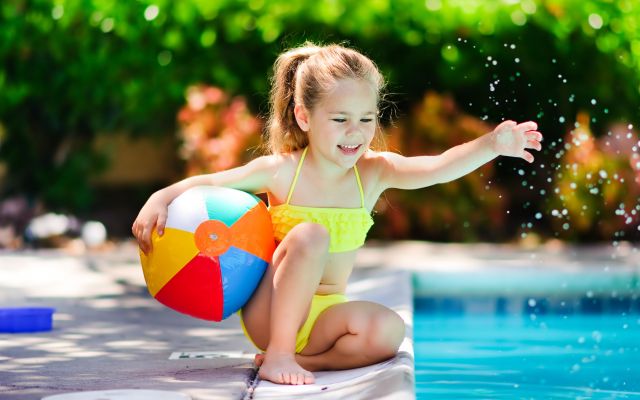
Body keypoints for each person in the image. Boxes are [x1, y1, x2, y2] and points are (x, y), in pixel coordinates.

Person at [132, 42, 543, 386]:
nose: (356, 132)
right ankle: (277, 355)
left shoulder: (374, 172)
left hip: (327, 319)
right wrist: (160, 197)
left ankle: (309, 364)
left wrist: (491, 145)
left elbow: (437, 168)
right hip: (271, 313)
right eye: (341, 119)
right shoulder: (283, 171)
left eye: (366, 119)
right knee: (311, 237)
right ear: (304, 116)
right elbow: (212, 183)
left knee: (390, 330)